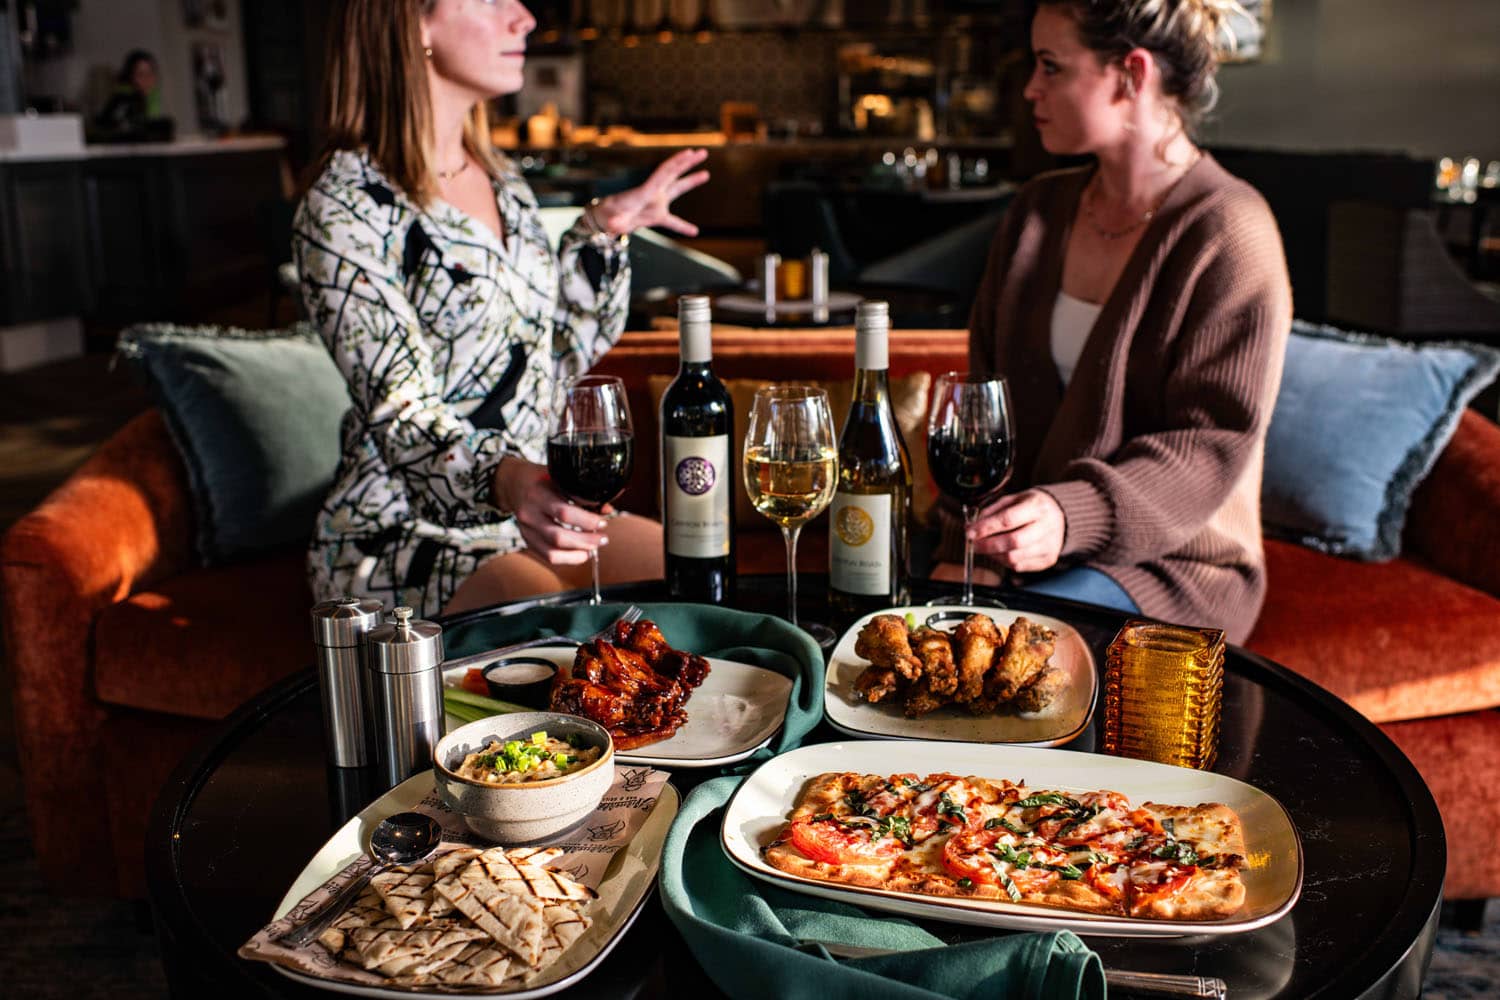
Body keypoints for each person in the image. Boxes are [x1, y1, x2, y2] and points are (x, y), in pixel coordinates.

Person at [294, 0, 709, 617]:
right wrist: (508, 478)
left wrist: (601, 231)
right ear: (414, 22)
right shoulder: (347, 205)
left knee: (701, 585)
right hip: (403, 527)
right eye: (491, 0)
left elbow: (554, 361)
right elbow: (400, 413)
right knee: (556, 634)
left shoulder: (503, 182)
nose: (525, 19)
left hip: (532, 504)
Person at [932, 0, 1291, 643]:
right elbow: (985, 413)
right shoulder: (1036, 212)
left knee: (1007, 667)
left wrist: (1069, 517)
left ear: (1131, 74)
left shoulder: (1229, 230)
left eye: (1051, 66)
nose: (1029, 89)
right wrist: (968, 543)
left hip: (1169, 568)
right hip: (1025, 554)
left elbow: (1209, 446)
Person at [95, 50, 166, 138]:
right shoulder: (123, 99)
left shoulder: (152, 97)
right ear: (130, 77)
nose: (147, 79)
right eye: (141, 74)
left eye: (150, 73)